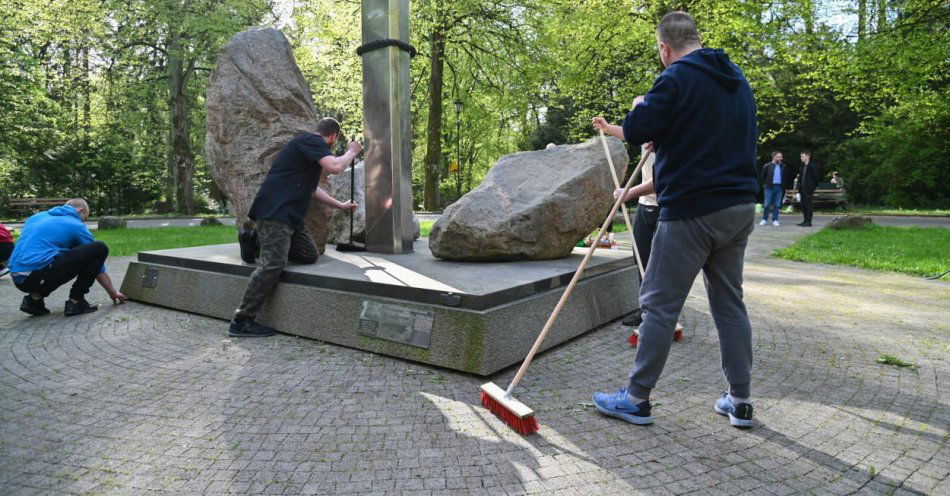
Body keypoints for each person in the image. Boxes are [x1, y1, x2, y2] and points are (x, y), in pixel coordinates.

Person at [591, 11, 758, 428]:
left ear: (665, 48)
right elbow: (708, 133)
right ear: (696, 38)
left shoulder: (675, 78)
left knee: (659, 306)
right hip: (738, 208)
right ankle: (739, 401)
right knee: (729, 303)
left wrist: (651, 128)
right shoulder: (736, 79)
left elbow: (636, 126)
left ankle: (635, 398)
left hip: (692, 211)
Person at [229, 117, 361, 338]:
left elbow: (313, 189)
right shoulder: (311, 141)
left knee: (309, 254)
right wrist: (352, 151)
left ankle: (256, 240)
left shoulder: (307, 151)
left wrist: (340, 205)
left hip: (292, 218)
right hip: (276, 212)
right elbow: (336, 166)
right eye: (335, 142)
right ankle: (241, 320)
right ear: (333, 137)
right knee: (273, 264)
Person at [8, 199, 126, 316]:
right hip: (36, 273)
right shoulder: (76, 225)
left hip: (17, 275)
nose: (84, 222)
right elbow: (96, 264)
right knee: (99, 248)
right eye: (85, 218)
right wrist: (112, 292)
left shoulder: (37, 217)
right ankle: (76, 300)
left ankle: (34, 301)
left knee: (50, 257)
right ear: (81, 210)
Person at [615, 143, 685, 342]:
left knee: (661, 263)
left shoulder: (671, 139)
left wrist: (628, 192)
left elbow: (660, 180)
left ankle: (663, 313)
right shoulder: (647, 130)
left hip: (664, 206)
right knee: (641, 258)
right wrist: (607, 128)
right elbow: (630, 132)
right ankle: (645, 309)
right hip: (644, 205)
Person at [759, 151, 788, 226]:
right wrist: (765, 185)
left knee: (777, 204)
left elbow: (785, 177)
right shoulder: (767, 166)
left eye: (781, 156)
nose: (781, 158)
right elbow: (762, 176)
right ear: (774, 157)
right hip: (769, 187)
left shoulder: (783, 166)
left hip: (779, 187)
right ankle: (764, 219)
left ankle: (775, 220)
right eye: (779, 156)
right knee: (766, 204)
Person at [796, 150, 822, 227]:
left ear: (808, 156)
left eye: (802, 156)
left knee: (808, 205)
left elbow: (817, 178)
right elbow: (800, 179)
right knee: (803, 205)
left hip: (809, 189)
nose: (801, 158)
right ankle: (805, 221)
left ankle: (808, 221)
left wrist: (812, 188)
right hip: (802, 189)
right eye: (801, 157)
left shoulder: (813, 166)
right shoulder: (802, 167)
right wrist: (799, 190)